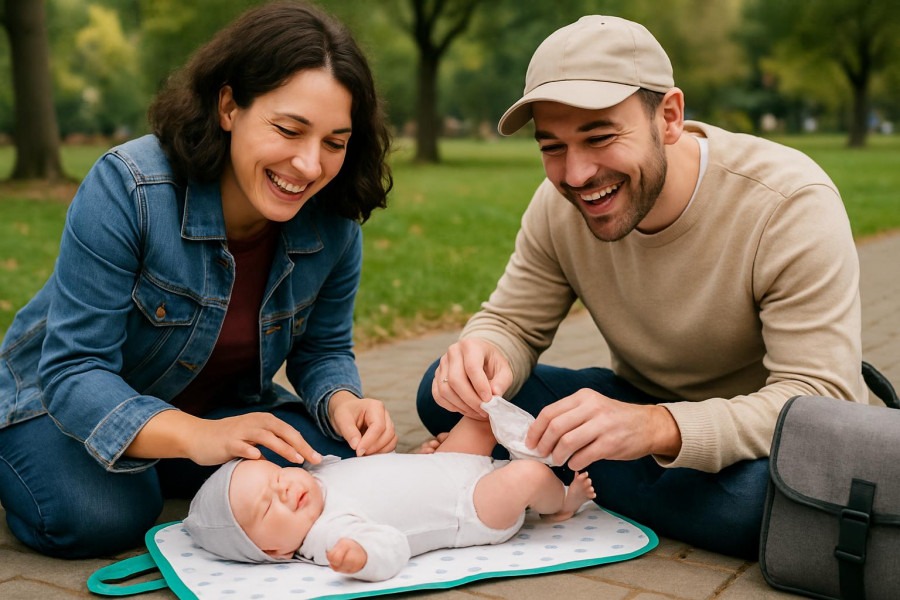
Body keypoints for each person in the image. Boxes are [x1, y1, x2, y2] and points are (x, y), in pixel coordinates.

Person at [416, 15, 866, 560]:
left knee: (753, 505)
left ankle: (530, 476)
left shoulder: (788, 202)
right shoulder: (557, 207)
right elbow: (512, 323)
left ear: (669, 117)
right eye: (552, 146)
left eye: (600, 137)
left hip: (753, 437)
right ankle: (578, 479)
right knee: (439, 391)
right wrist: (485, 359)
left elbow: (821, 399)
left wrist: (657, 427)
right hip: (632, 407)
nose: (576, 174)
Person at [0, 1, 396, 559]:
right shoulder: (130, 188)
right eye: (289, 130)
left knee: (338, 459)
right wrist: (199, 438)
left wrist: (343, 401)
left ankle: (172, 470)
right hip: (56, 405)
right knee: (99, 514)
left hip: (217, 413)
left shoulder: (333, 224)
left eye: (334, 142)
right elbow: (74, 370)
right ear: (229, 106)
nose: (309, 165)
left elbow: (322, 349)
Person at [184, 413, 595, 582]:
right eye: (268, 505)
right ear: (272, 550)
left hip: (450, 467)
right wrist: (358, 559)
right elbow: (390, 547)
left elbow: (381, 474)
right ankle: (560, 502)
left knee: (479, 415)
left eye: (276, 477)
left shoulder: (315, 478)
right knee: (526, 476)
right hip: (470, 507)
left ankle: (518, 445)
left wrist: (416, 461)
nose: (284, 489)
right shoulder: (328, 536)